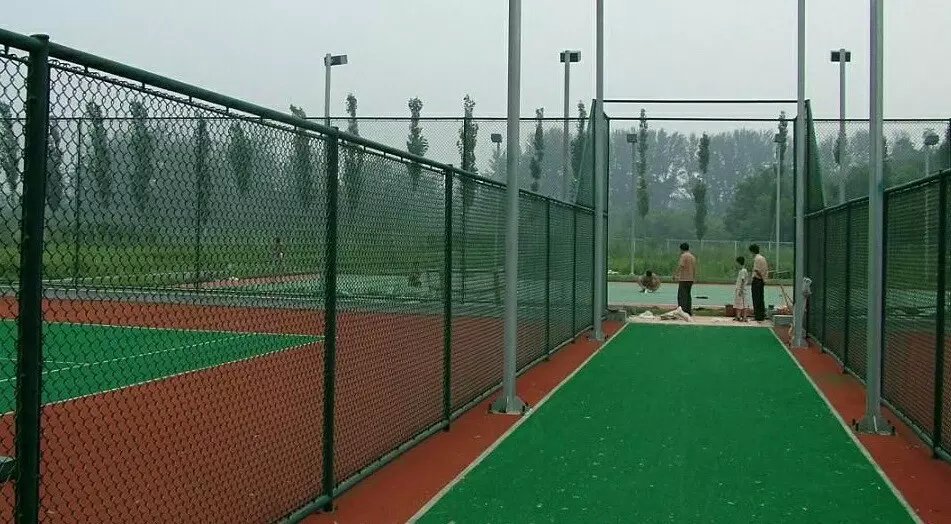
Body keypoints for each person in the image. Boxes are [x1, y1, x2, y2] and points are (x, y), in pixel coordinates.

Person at [675, 243, 696, 315]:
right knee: (688, 295)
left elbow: (681, 265)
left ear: (681, 249)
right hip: (690, 279)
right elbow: (694, 268)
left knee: (682, 296)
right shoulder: (692, 256)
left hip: (684, 278)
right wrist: (694, 277)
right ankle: (688, 311)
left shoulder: (683, 256)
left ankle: (682, 311)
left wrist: (675, 274)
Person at [749, 244, 769, 321]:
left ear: (752, 251)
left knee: (756, 298)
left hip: (757, 280)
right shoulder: (763, 258)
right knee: (761, 298)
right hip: (761, 281)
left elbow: (757, 270)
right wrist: (764, 279)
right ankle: (761, 315)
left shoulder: (757, 259)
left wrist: (762, 278)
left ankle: (757, 316)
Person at [733, 256, 750, 322]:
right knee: (742, 303)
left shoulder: (743, 271)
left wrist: (741, 290)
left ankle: (742, 317)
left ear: (739, 263)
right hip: (742, 289)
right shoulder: (743, 270)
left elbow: (743, 280)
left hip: (741, 289)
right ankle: (740, 316)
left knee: (741, 303)